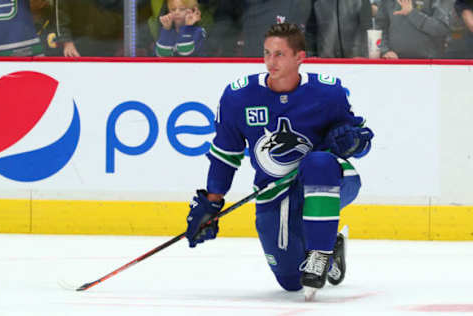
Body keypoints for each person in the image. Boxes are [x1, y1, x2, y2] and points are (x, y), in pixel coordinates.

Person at [185, 23, 374, 300]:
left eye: (280, 55)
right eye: (267, 54)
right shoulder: (238, 97)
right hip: (274, 192)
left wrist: (354, 142)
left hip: (329, 180)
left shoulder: (327, 93)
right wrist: (212, 201)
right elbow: (226, 154)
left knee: (318, 162)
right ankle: (331, 247)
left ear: (300, 57)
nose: (270, 62)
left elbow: (361, 141)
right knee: (290, 280)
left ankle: (319, 253)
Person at [375, 0, 450, 59]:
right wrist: (385, 51)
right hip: (394, 62)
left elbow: (441, 28)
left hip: (428, 64)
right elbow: (380, 28)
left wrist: (412, 13)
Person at [308, 0, 373, 58]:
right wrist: (312, 54)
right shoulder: (316, 1)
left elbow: (366, 28)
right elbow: (311, 30)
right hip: (326, 60)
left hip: (355, 60)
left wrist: (362, 54)